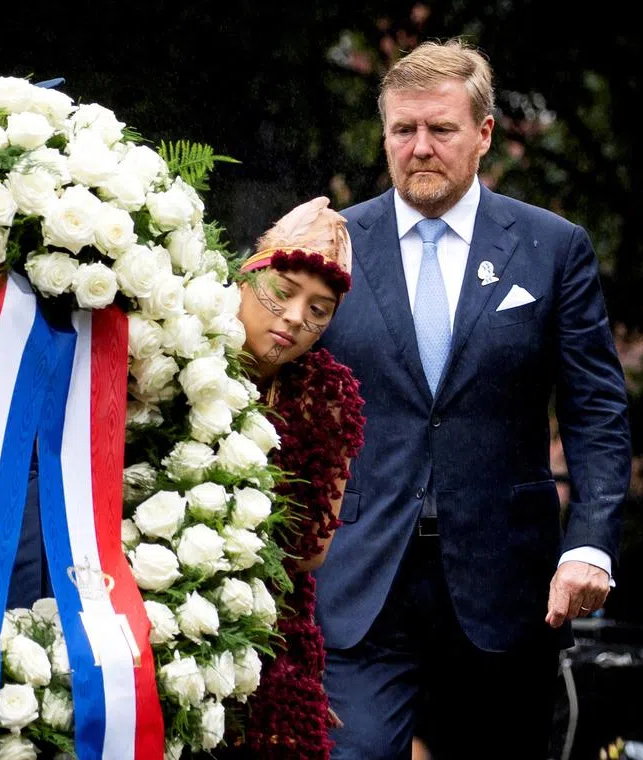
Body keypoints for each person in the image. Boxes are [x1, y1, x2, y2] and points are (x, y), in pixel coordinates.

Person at [313, 39, 631, 758]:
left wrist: (590, 545)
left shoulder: (552, 249)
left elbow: (596, 414)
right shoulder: (332, 245)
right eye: (403, 130)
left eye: (441, 130)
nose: (419, 148)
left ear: (484, 134)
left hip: (507, 589)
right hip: (361, 580)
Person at [224, 196, 365, 758]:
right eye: (283, 292)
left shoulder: (327, 396)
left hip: (264, 618)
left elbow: (309, 549)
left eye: (319, 310)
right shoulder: (174, 344)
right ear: (245, 275)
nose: (294, 319)